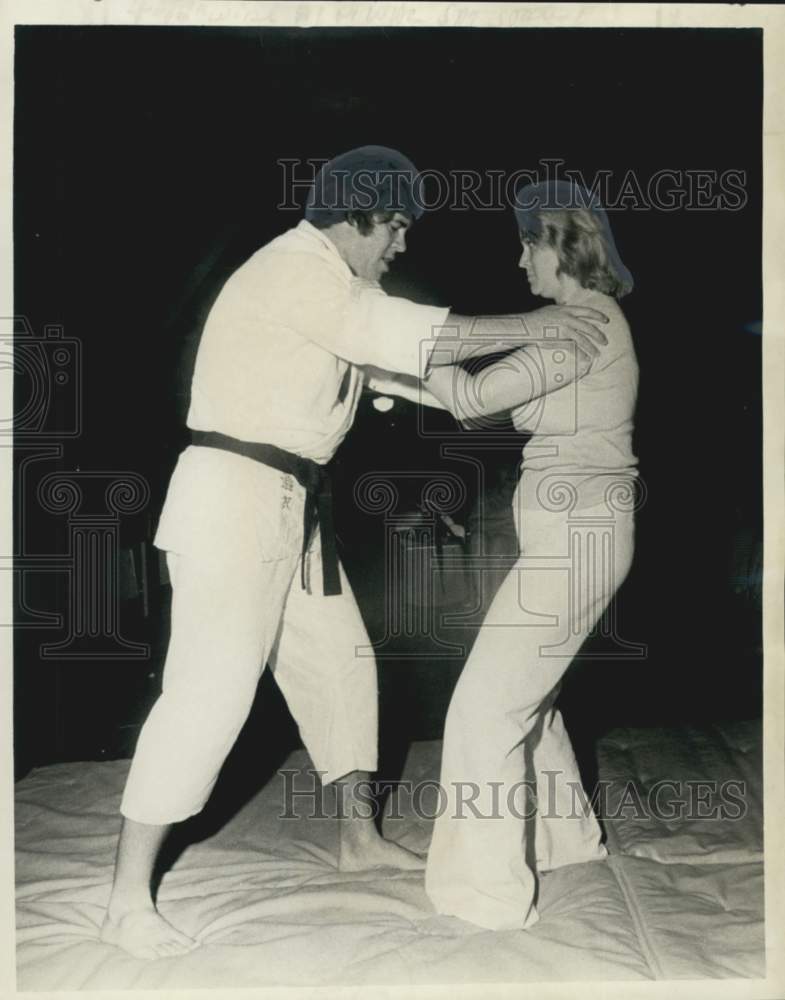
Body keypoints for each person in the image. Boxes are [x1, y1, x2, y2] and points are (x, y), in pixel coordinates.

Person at [100, 150, 610, 960]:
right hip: (232, 500)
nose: (400, 245)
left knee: (341, 668)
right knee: (211, 693)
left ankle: (355, 839)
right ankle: (126, 899)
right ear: (359, 213)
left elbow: (421, 374)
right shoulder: (294, 272)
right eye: (396, 225)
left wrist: (511, 382)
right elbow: (409, 336)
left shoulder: (341, 292)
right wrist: (542, 325)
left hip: (291, 506)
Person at [421, 180, 638, 930]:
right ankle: (567, 843)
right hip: (569, 531)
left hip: (579, 532)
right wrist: (396, 363)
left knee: (485, 706)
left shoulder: (585, 321)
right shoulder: (575, 322)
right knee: (529, 697)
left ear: (563, 243)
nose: (518, 260)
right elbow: (468, 391)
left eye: (527, 243)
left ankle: (483, 898)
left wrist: (403, 344)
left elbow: (473, 398)